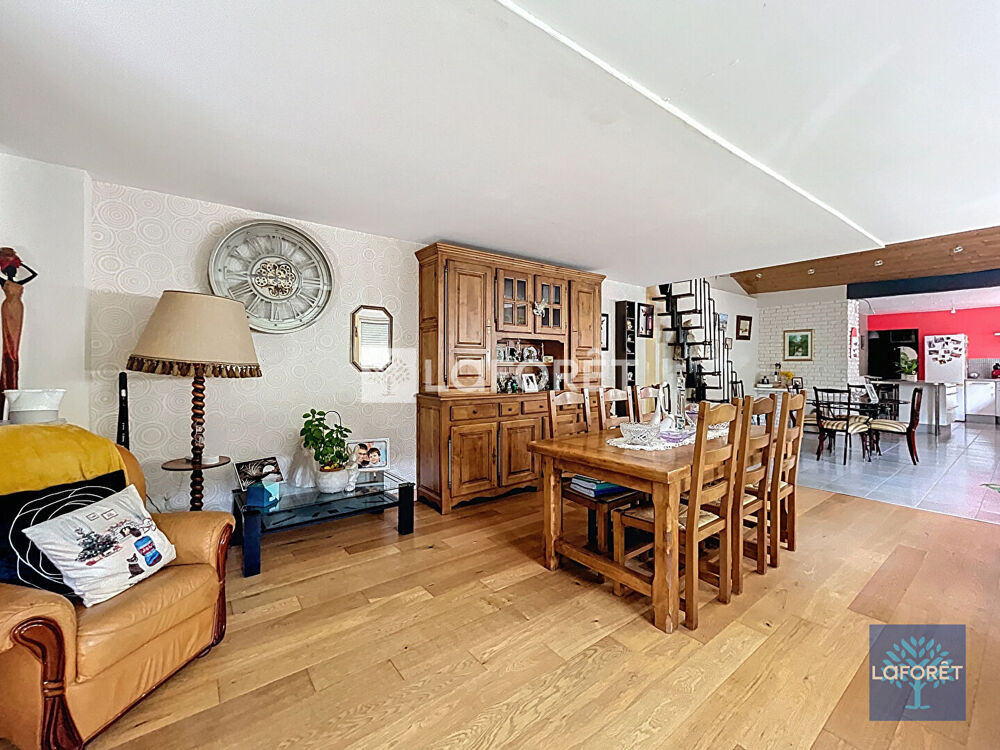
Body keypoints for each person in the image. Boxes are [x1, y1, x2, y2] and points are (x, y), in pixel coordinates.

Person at [0, 248, 38, 407]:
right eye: (10, 269)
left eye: (14, 269)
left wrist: (19, 263)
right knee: (9, 343)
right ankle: (6, 381)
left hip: (18, 308)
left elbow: (34, 274)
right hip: (8, 308)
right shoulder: (4, 282)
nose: (13, 272)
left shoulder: (18, 283)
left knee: (15, 343)